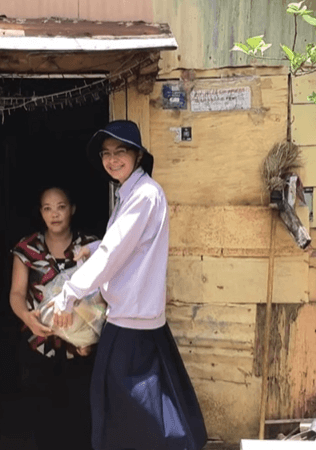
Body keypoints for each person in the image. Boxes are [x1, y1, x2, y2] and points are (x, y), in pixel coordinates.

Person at [53, 120, 208, 450]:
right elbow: (126, 246)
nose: (112, 159)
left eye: (120, 152)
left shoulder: (143, 195)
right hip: (134, 316)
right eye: (106, 153)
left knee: (131, 409)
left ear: (137, 155)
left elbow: (114, 252)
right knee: (147, 407)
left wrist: (70, 293)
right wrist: (92, 249)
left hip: (132, 321)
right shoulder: (133, 193)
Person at [9, 186, 99, 450]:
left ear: (72, 209)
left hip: (81, 349)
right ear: (41, 213)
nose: (54, 214)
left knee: (81, 420)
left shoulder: (90, 245)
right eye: (47, 208)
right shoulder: (27, 248)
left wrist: (91, 336)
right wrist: (27, 316)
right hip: (39, 347)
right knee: (43, 420)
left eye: (60, 207)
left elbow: (102, 297)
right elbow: (16, 294)